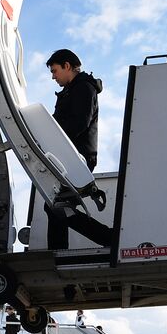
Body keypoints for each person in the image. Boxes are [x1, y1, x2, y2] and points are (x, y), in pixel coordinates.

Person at [44, 49, 103, 249]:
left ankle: (108, 238)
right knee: (56, 205)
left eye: (55, 71)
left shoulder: (83, 88)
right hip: (71, 156)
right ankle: (58, 253)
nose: (53, 76)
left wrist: (52, 138)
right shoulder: (73, 90)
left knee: (56, 205)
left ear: (67, 66)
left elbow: (79, 123)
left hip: (78, 158)